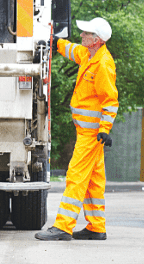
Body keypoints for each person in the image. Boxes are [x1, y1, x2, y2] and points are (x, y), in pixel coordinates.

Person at [35, 17, 119, 241]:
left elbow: (110, 100)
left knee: (76, 176)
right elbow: (72, 50)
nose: (81, 35)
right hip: (88, 132)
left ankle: (63, 226)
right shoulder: (89, 55)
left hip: (92, 135)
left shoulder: (103, 64)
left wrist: (104, 129)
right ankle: (96, 227)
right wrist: (56, 43)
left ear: (97, 40)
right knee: (93, 180)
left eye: (86, 33)